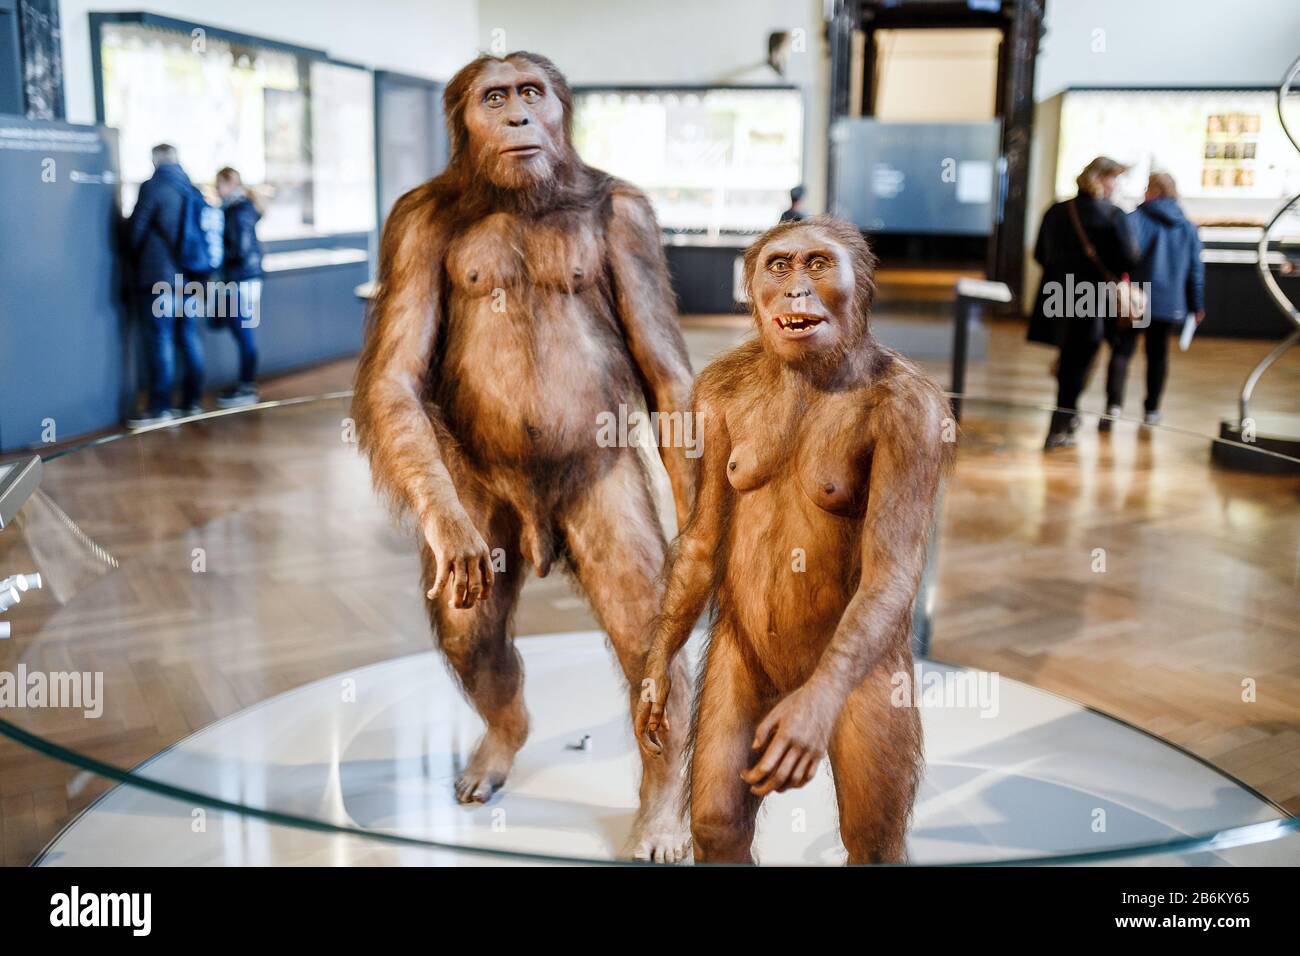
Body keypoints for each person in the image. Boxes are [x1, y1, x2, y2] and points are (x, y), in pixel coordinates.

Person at [1027, 156, 1140, 449]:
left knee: (1071, 358)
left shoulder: (1057, 210)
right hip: (1094, 297)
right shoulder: (1113, 215)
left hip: (1058, 293)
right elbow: (1130, 257)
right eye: (1113, 177)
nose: (1115, 184)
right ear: (1101, 178)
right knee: (1080, 361)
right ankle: (1060, 423)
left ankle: (1068, 417)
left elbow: (1040, 253)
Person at [1100, 172, 1204, 430]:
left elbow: (1121, 256)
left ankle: (1114, 406)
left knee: (1123, 351)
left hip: (1135, 299)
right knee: (1158, 356)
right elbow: (1195, 270)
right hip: (1170, 302)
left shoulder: (1134, 219)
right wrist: (1196, 304)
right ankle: (1152, 410)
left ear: (1153, 191)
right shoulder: (1188, 227)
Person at [124, 144, 206, 427]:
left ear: (155, 160)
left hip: (160, 277)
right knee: (189, 337)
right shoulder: (192, 188)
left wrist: (132, 258)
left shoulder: (153, 186)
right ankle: (192, 401)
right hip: (192, 276)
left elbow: (137, 228)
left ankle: (160, 408)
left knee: (161, 340)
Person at [214, 166, 264, 407]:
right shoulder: (244, 207)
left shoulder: (238, 210)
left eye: (219, 185)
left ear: (227, 184)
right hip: (247, 278)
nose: (217, 191)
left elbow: (240, 247)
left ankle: (247, 386)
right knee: (243, 331)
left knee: (243, 332)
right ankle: (246, 383)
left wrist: (221, 254)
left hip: (240, 278)